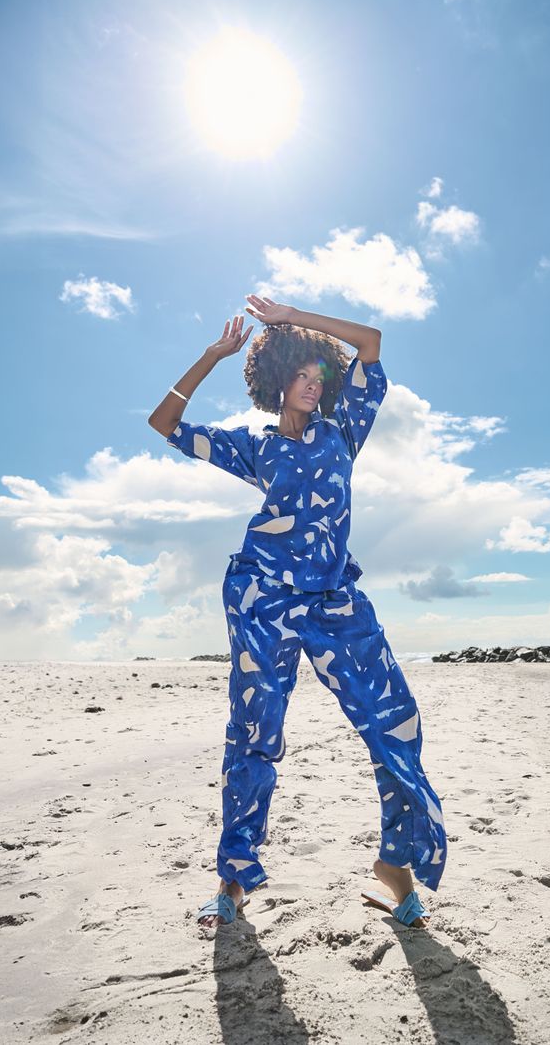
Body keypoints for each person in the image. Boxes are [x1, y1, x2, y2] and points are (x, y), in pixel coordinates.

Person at [148, 295, 447, 932]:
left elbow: (370, 341)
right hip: (263, 598)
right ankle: (232, 881)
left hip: (336, 598)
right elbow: (165, 422)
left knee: (395, 723)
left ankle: (395, 868)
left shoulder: (344, 431)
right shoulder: (252, 445)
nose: (313, 385)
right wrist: (213, 355)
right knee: (254, 734)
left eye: (319, 376)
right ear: (278, 379)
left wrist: (294, 317)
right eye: (301, 375)